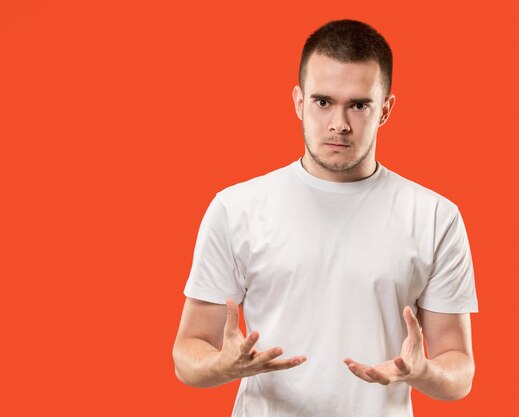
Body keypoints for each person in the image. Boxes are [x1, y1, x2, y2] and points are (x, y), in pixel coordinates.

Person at [172, 19, 479, 417]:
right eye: (323, 102)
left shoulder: (436, 216)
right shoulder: (237, 209)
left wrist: (423, 372)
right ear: (299, 102)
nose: (339, 124)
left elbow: (459, 368)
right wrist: (220, 365)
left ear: (385, 109)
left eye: (359, 104)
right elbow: (187, 352)